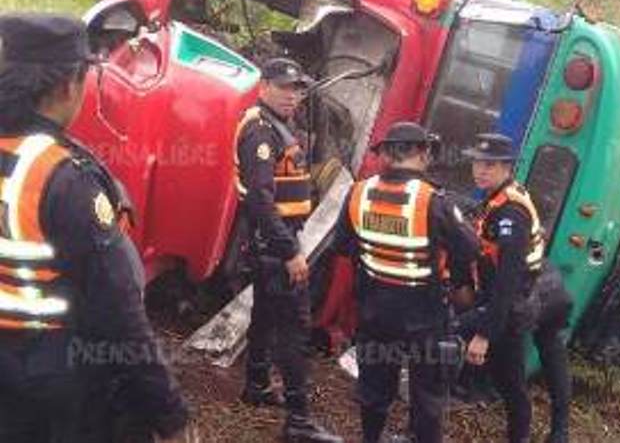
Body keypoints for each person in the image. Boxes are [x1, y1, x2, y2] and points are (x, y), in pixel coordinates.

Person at [0, 14, 189, 442]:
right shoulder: (64, 178)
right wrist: (169, 413)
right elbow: (120, 312)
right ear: (68, 86)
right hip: (55, 395)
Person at [331, 121, 480, 443]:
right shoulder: (433, 200)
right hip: (424, 317)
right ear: (422, 153)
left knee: (374, 389)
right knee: (427, 397)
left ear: (386, 154)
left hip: (374, 311)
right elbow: (469, 248)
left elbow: (341, 245)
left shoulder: (358, 192)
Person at [235, 57, 343, 443]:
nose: (291, 96)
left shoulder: (277, 124)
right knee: (296, 329)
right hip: (276, 243)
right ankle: (299, 421)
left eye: (297, 89)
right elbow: (261, 200)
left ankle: (257, 384)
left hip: (274, 240)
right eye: (283, 87)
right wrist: (289, 252)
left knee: (265, 314)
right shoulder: (260, 132)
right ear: (263, 85)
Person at [460, 133, 571, 443]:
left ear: (508, 167)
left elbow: (507, 281)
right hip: (536, 287)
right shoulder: (499, 196)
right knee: (527, 365)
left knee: (511, 380)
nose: (480, 170)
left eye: (490, 165)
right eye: (477, 162)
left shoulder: (510, 212)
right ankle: (558, 429)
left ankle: (549, 432)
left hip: (529, 298)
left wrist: (484, 334)